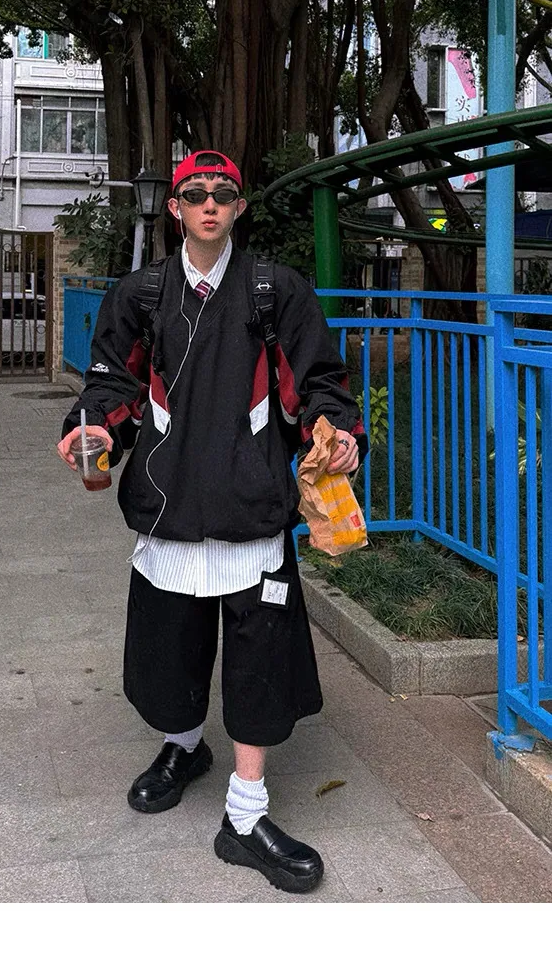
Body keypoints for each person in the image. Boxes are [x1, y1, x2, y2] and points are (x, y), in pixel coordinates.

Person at [58, 150, 367, 894]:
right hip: (168, 505)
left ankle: (246, 813)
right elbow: (112, 381)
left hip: (251, 506)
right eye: (194, 193)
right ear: (175, 209)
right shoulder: (140, 293)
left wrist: (336, 431)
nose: (207, 204)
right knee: (170, 651)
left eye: (222, 193)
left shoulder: (275, 291)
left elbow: (317, 381)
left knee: (259, 663)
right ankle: (185, 744)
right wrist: (92, 428)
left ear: (238, 207)